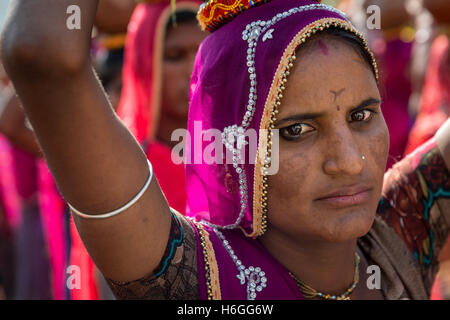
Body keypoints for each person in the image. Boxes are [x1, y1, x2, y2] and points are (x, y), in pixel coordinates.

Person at [2, 0, 450, 300]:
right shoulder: (199, 280)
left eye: (362, 116)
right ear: (231, 149)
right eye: (295, 130)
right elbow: (41, 54)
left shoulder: (399, 237)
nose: (351, 161)